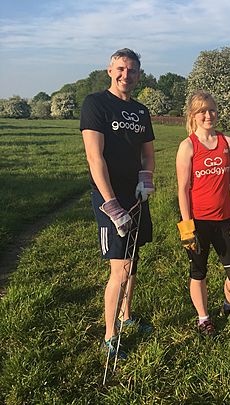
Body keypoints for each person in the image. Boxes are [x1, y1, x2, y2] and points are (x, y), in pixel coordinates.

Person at [80, 48, 155, 359]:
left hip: (136, 196)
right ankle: (110, 336)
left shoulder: (141, 111)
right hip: (110, 200)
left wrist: (146, 179)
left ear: (138, 75)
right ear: (110, 71)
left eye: (133, 70)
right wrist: (111, 204)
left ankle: (127, 315)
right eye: (121, 69)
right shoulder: (96, 104)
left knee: (132, 262)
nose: (127, 75)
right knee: (120, 270)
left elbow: (148, 153)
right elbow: (94, 156)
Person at [176, 91, 230, 336]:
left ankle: (229, 304)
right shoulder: (188, 146)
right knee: (199, 271)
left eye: (212, 110)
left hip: (225, 219)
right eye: (202, 111)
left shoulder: (227, 142)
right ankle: (203, 318)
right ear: (193, 116)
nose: (208, 116)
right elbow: (183, 189)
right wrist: (187, 228)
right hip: (198, 222)